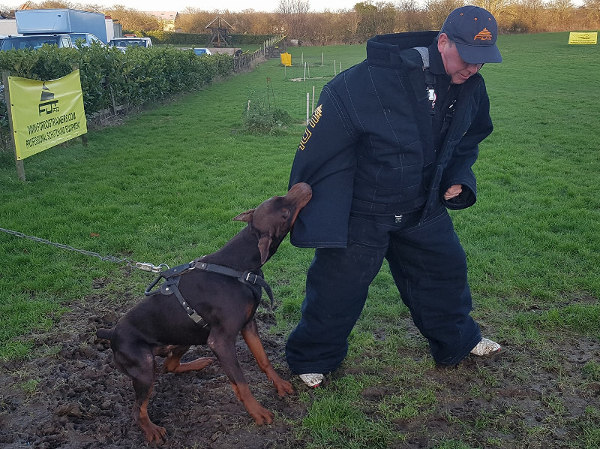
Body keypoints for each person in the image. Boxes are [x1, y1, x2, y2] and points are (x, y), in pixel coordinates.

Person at [285, 5, 503, 388]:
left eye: (482, 61)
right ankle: (312, 358)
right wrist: (311, 212)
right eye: (467, 57)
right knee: (337, 290)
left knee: (445, 274)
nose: (473, 68)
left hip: (424, 207)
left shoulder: (472, 87)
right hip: (363, 212)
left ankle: (459, 341)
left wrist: (458, 177)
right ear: (443, 41)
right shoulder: (362, 83)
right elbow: (317, 151)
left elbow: (469, 136)